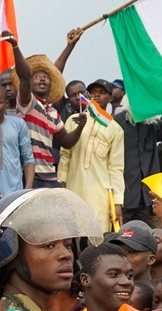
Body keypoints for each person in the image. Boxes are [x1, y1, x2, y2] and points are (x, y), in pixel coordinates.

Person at [6, 33, 81, 188]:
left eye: (45, 77)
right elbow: (25, 76)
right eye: (37, 77)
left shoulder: (53, 112)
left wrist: (81, 126)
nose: (42, 79)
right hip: (29, 172)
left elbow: (66, 142)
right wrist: (15, 46)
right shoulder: (28, 102)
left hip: (49, 173)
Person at [58, 78, 124, 230]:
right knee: (73, 232)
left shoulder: (115, 129)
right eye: (93, 92)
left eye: (102, 93)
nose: (97, 96)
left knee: (98, 234)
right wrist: (61, 185)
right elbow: (65, 156)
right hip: (73, 190)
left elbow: (116, 168)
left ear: (110, 97)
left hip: (100, 195)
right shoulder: (73, 120)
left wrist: (117, 202)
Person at [0, 85, 34, 198]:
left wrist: (28, 189)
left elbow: (28, 158)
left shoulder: (18, 124)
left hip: (15, 190)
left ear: (6, 103)